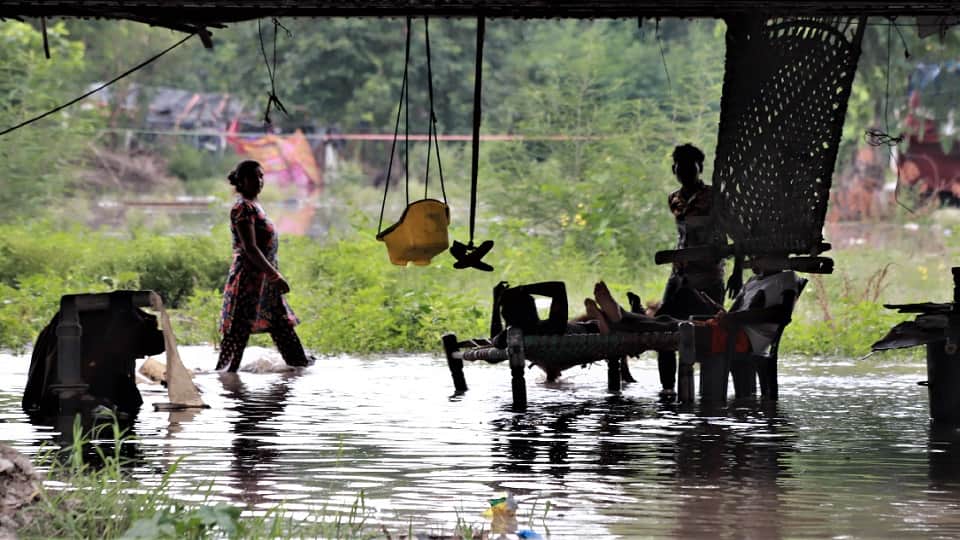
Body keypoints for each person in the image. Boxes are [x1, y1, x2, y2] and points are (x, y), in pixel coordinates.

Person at [216, 160, 311, 372]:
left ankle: (300, 367)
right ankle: (225, 383)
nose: (259, 181)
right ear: (241, 181)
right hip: (248, 282)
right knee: (236, 338)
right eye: (253, 177)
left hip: (264, 283)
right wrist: (275, 275)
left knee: (282, 327)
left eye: (261, 176)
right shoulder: (242, 208)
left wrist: (271, 277)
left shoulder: (255, 206)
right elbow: (250, 248)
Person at [655, 143, 726, 398]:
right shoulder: (674, 198)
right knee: (662, 329)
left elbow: (729, 237)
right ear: (674, 168)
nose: (684, 171)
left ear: (700, 168)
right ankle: (667, 390)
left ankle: (708, 393)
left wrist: (737, 271)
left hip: (707, 277)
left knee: (707, 332)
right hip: (679, 277)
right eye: (679, 166)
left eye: (690, 166)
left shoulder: (714, 197)